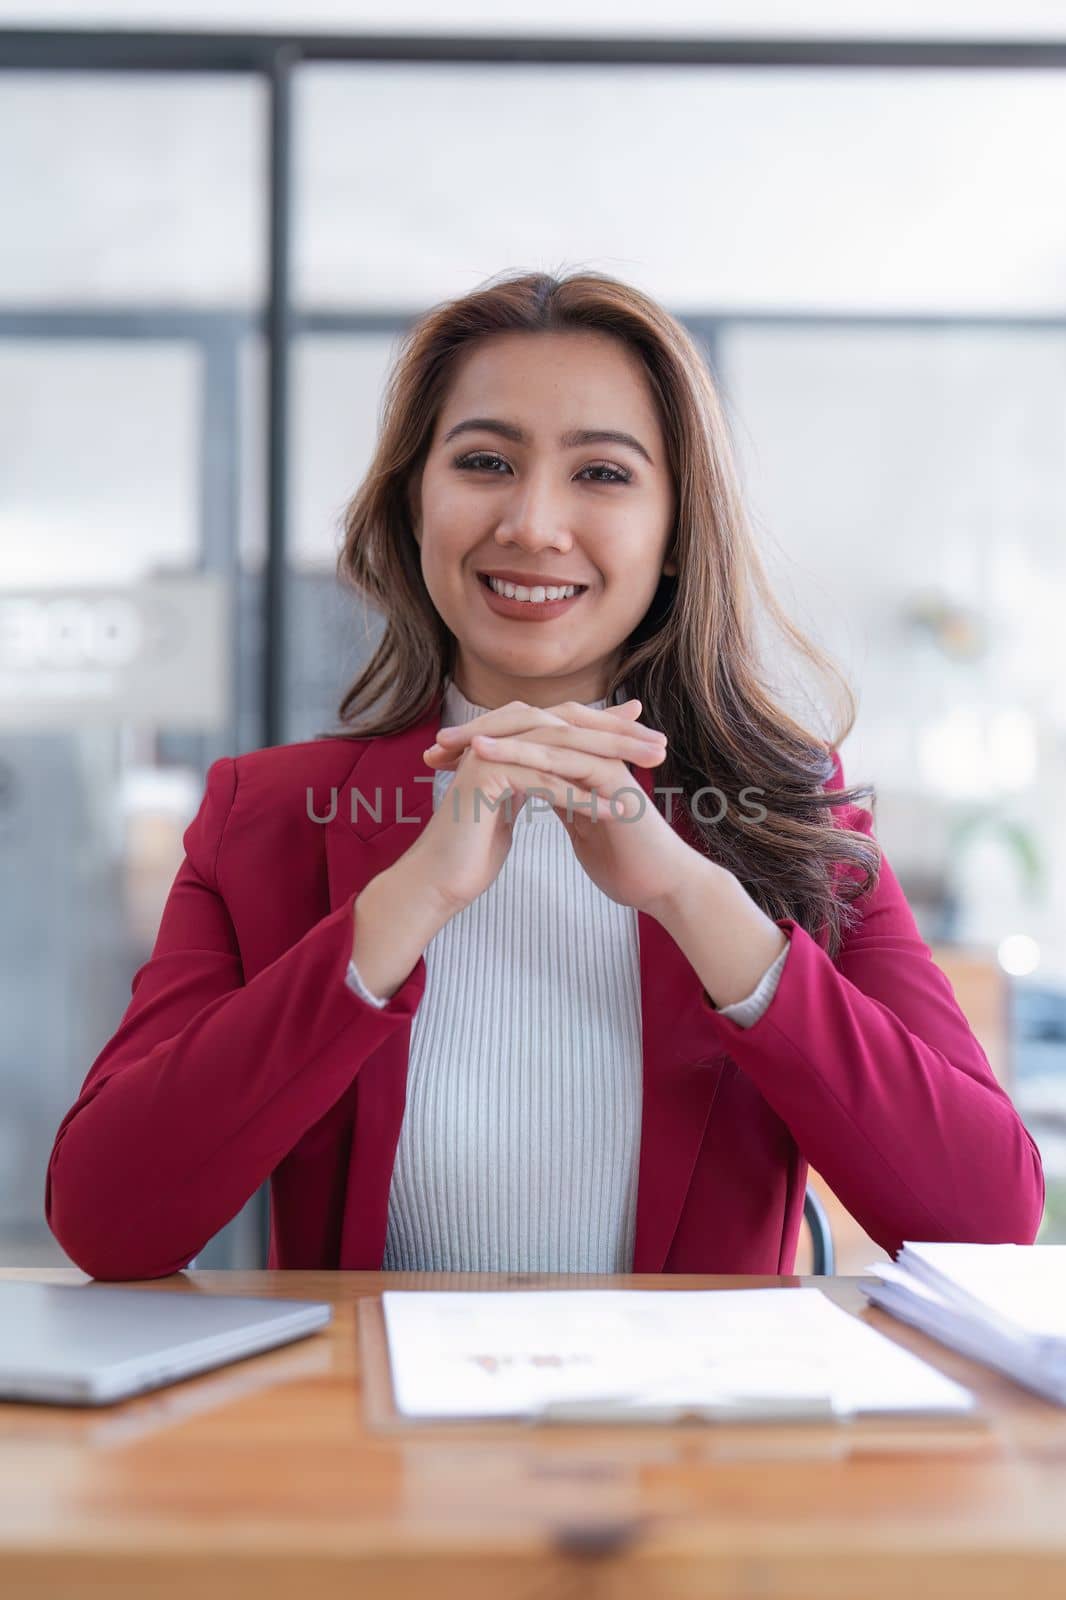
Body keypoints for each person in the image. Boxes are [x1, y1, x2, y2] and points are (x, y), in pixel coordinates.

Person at [45, 269, 1045, 1282]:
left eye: (602, 474)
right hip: (363, 1432)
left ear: (672, 534)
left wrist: (691, 895)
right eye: (485, 461)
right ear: (414, 503)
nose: (531, 523)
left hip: (698, 1432)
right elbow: (108, 1220)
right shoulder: (265, 817)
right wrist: (407, 901)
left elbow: (982, 1218)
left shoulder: (792, 813)